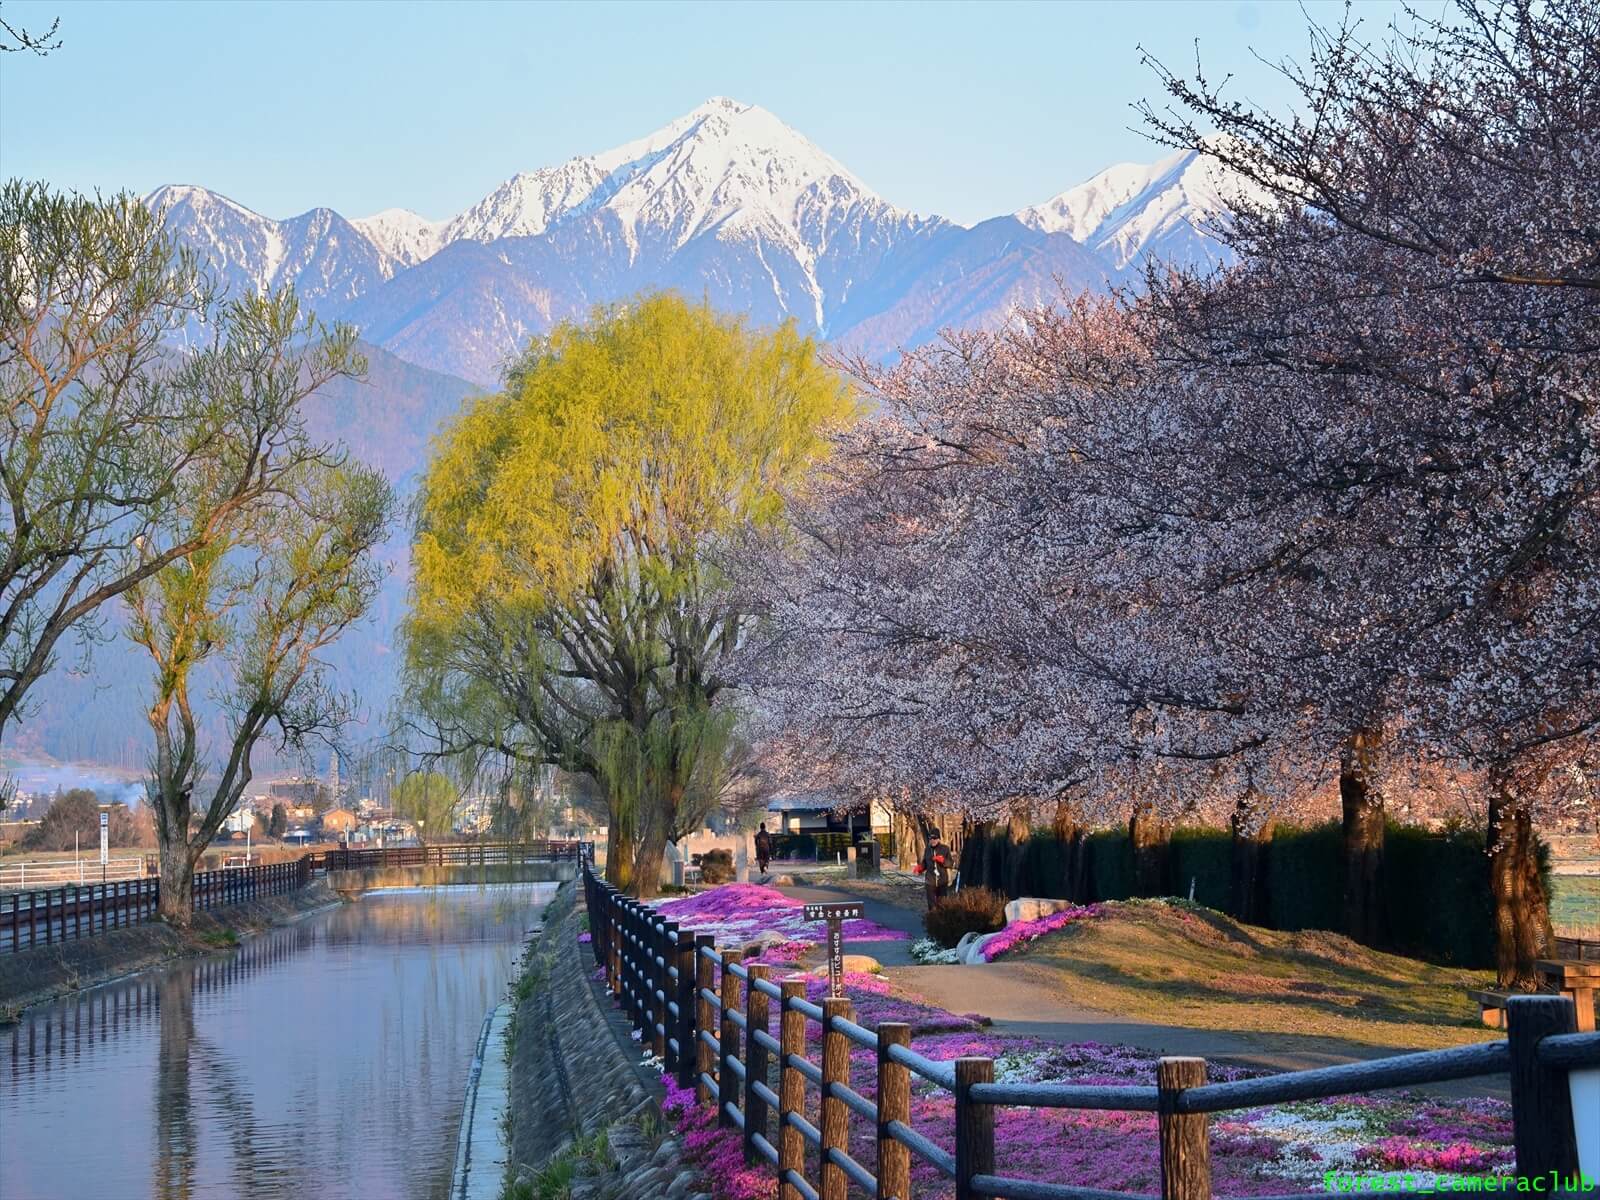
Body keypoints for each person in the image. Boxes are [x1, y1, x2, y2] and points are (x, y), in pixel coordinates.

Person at [919, 828, 952, 909]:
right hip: (930, 881)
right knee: (931, 905)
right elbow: (925, 863)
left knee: (942, 904)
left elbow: (951, 863)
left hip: (942, 881)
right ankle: (931, 919)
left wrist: (943, 860)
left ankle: (941, 920)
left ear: (939, 839)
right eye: (931, 838)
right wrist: (920, 868)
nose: (933, 840)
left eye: (935, 838)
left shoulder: (945, 849)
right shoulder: (927, 849)